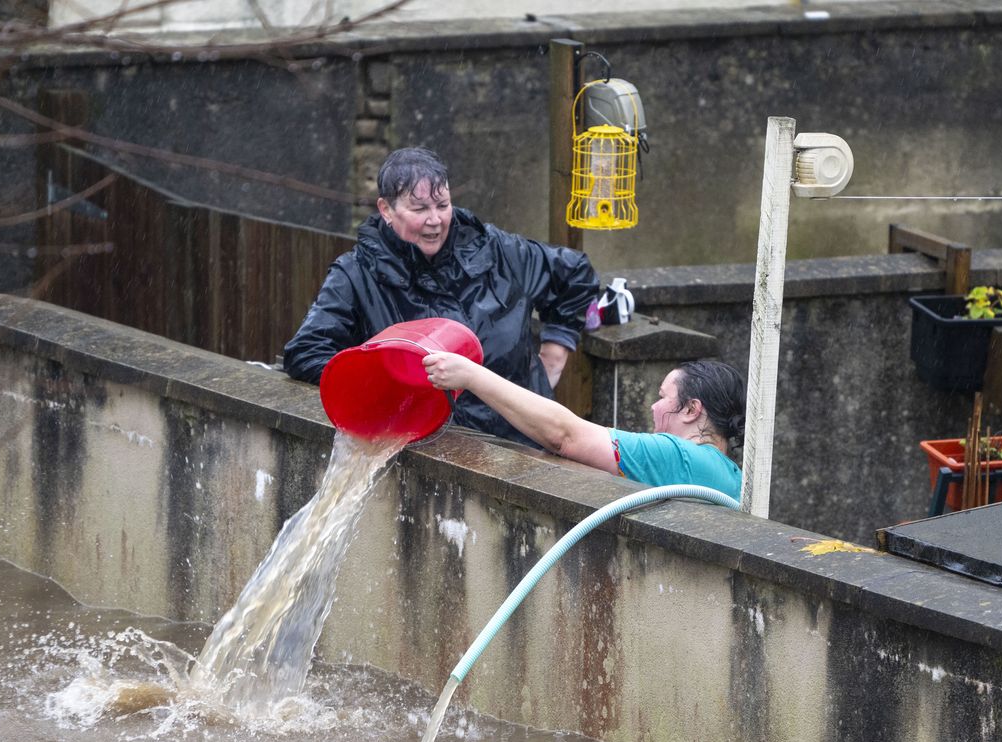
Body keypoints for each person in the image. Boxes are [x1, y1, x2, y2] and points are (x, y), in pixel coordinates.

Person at [283, 147, 599, 445]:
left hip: (525, 446)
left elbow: (575, 273)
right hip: (432, 456)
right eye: (419, 208)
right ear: (386, 210)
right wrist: (379, 384)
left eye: (442, 205)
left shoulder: (497, 250)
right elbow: (306, 352)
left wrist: (556, 350)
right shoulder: (356, 274)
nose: (435, 221)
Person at [422, 354, 746, 500]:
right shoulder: (729, 473)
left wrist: (472, 376)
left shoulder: (681, 457)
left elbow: (565, 437)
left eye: (663, 397)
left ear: (691, 409)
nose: (653, 407)